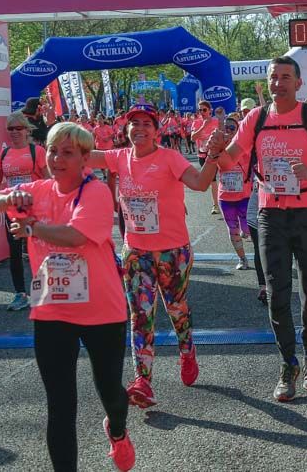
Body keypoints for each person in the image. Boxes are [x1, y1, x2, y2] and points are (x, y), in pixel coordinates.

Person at [0, 123, 136, 472]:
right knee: (60, 405)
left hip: (101, 310)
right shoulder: (37, 190)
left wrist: (33, 228)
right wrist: (8, 198)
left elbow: (75, 236)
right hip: (52, 310)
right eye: (51, 150)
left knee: (110, 393)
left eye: (67, 152)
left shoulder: (97, 191)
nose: (56, 159)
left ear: (85, 158)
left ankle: (117, 430)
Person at [216, 56, 307, 402]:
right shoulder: (256, 118)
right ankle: (288, 362)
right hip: (270, 215)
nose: (278, 83)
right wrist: (214, 150)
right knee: (276, 293)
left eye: (285, 77)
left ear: (298, 82)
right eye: (273, 77)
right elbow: (230, 159)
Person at [86, 104, 224, 409]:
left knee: (176, 309)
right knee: (140, 315)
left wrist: (213, 156)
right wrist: (58, 139)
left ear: (156, 129)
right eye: (134, 123)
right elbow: (82, 154)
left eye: (146, 124)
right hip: (136, 251)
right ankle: (143, 381)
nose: (140, 129)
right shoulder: (118, 157)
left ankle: (187, 350)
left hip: (173, 250)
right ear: (126, 129)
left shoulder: (169, 158)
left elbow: (201, 184)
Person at [0, 111, 49, 311]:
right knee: (15, 252)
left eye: (19, 128)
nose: (15, 132)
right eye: (11, 129)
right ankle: (20, 294)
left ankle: (42, 288)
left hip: (35, 209)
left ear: (27, 130)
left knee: (38, 249)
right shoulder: (4, 154)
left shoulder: (37, 152)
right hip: (13, 210)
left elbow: (48, 180)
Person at [218, 112, 254, 270]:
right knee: (232, 229)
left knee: (247, 228)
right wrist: (218, 147)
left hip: (244, 196)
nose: (228, 131)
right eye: (226, 128)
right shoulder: (218, 147)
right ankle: (243, 259)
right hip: (225, 196)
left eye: (232, 128)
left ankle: (248, 234)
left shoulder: (246, 146)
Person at [191, 101, 221, 215]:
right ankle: (218, 203)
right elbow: (193, 138)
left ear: (210, 110)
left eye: (204, 110)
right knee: (210, 180)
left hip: (215, 154)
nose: (202, 112)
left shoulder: (216, 121)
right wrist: (204, 126)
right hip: (202, 154)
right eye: (200, 110)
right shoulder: (197, 122)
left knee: (213, 179)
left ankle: (216, 205)